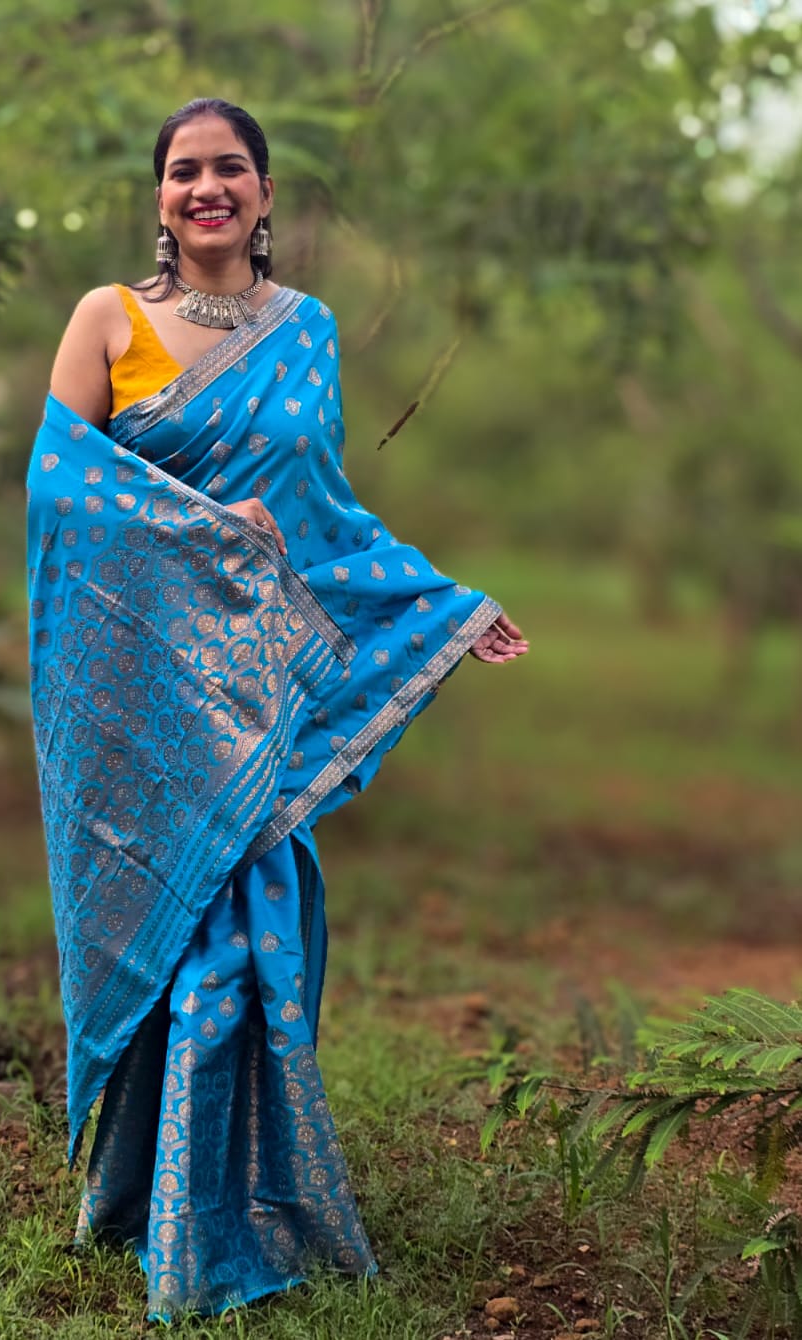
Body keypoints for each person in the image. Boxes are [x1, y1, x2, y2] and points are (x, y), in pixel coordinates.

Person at [27, 97, 528, 1322]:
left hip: (257, 695)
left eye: (230, 168)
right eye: (184, 171)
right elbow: (61, 495)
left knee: (256, 951)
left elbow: (324, 516)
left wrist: (445, 603)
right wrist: (207, 526)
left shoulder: (306, 331)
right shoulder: (108, 317)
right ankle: (154, 1208)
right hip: (147, 694)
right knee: (174, 937)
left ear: (263, 193)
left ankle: (243, 1209)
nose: (207, 187)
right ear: (159, 197)